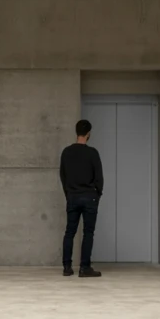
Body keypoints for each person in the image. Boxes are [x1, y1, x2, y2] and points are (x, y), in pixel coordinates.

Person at [59, 119, 104, 278]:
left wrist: (69, 193)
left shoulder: (66, 152)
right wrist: (97, 195)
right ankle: (85, 268)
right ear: (88, 133)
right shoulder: (92, 153)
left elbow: (63, 176)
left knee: (69, 232)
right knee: (88, 233)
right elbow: (99, 178)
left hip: (72, 196)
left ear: (76, 132)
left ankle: (67, 267)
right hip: (89, 197)